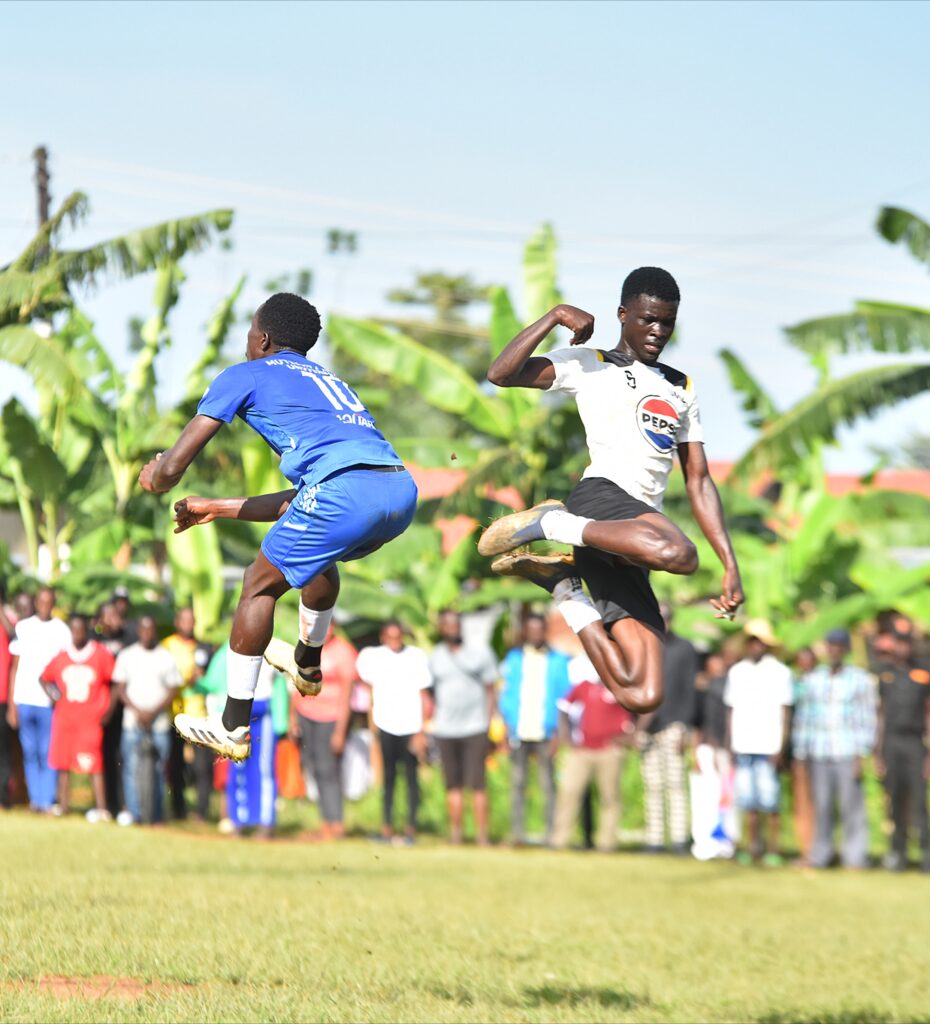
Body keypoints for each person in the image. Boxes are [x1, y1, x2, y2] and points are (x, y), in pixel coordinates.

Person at [138, 292, 417, 762]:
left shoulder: (244, 375)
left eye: (249, 332)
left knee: (257, 585)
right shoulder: (328, 381)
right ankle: (307, 662)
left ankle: (233, 726)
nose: (247, 341)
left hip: (342, 493)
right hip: (399, 490)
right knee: (315, 554)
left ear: (262, 338)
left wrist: (156, 476)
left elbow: (172, 469)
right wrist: (218, 507)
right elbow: (305, 500)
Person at [478, 268, 743, 715]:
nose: (658, 331)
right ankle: (549, 522)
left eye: (667, 322)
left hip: (628, 539)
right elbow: (501, 374)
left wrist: (731, 565)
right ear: (623, 315)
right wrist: (554, 316)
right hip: (600, 500)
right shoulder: (591, 364)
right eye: (647, 320)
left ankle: (563, 586)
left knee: (641, 694)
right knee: (683, 555)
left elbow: (698, 479)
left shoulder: (681, 387)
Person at [791, 630, 875, 870]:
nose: (835, 650)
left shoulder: (859, 679)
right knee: (822, 805)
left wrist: (862, 753)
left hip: (848, 752)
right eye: (831, 645)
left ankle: (855, 856)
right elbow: (804, 718)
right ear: (826, 649)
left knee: (852, 806)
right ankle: (821, 854)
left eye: (840, 646)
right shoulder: (813, 679)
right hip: (818, 751)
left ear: (846, 649)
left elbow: (866, 718)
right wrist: (800, 753)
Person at [200, 642, 289, 837]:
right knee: (237, 766)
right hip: (238, 712)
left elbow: (282, 685)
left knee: (265, 769)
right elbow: (214, 681)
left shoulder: (273, 648)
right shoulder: (229, 650)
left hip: (264, 713)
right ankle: (237, 820)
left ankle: (266, 823)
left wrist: (282, 722)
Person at [724, 620, 793, 866]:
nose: (756, 646)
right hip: (743, 743)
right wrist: (730, 744)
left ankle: (773, 849)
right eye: (752, 641)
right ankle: (751, 847)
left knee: (770, 802)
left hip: (769, 745)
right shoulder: (737, 672)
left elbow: (785, 714)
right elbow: (730, 711)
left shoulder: (780, 672)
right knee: (747, 802)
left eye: (760, 641)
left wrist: (781, 748)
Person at [356, 621, 431, 844]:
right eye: (391, 636)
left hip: (410, 725)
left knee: (411, 779)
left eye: (398, 637)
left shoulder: (416, 657)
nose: (395, 641)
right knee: (388, 779)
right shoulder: (373, 657)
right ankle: (387, 826)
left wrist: (422, 730)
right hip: (386, 723)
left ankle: (410, 828)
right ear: (383, 637)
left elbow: (424, 696)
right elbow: (365, 685)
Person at [499, 613, 571, 845]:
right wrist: (506, 725)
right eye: (531, 630)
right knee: (518, 784)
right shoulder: (514, 658)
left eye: (539, 630)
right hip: (519, 730)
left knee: (548, 785)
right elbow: (506, 694)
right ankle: (518, 833)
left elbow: (564, 698)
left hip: (546, 731)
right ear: (525, 632)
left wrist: (558, 733)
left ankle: (551, 834)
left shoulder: (559, 660)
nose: (535, 634)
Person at [429, 609, 499, 845]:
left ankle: (481, 836)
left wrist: (490, 724)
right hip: (445, 729)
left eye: (456, 624)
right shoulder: (436, 656)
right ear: (441, 628)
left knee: (478, 785)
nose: (453, 628)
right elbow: (430, 693)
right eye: (447, 624)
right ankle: (456, 835)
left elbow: (491, 690)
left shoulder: (480, 653)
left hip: (475, 727)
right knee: (452, 785)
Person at [551, 653, 633, 851]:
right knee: (569, 792)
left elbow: (634, 715)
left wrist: (625, 737)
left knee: (609, 798)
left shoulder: (620, 690)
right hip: (582, 751)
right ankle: (559, 840)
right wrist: (566, 737)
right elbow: (563, 707)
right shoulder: (585, 687)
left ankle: (607, 843)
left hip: (609, 750)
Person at [41, 613, 116, 821]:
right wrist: (54, 697)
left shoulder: (100, 654)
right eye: (74, 630)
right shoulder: (62, 656)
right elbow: (44, 678)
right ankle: (63, 805)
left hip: (90, 719)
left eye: (81, 629)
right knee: (62, 762)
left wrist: (107, 710)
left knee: (93, 763)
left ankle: (101, 808)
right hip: (65, 718)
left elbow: (115, 680)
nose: (77, 634)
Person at [112, 615, 181, 825]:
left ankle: (156, 814)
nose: (147, 633)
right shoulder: (127, 655)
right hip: (133, 723)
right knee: (131, 769)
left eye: (151, 629)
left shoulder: (165, 657)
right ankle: (135, 813)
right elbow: (120, 689)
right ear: (139, 631)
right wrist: (138, 711)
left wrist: (153, 712)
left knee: (159, 770)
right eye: (144, 629)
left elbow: (172, 688)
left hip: (158, 724)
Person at [291, 622, 358, 840]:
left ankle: (336, 822)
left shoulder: (343, 651)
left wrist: (340, 730)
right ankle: (325, 823)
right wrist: (293, 717)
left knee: (329, 769)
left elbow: (348, 695)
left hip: (331, 719)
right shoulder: (308, 648)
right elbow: (297, 680)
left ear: (335, 627)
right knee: (314, 768)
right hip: (307, 714)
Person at [639, 604, 697, 854]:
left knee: (675, 784)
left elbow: (690, 690)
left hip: (674, 724)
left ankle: (680, 839)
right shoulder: (643, 645)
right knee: (652, 786)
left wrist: (685, 727)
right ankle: (655, 840)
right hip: (647, 726)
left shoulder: (684, 649)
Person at [6, 587, 70, 812]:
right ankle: (35, 799)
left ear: (53, 603)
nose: (45, 605)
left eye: (49, 601)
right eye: (41, 601)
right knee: (30, 752)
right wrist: (12, 704)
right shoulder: (23, 628)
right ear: (36, 602)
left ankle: (47, 798)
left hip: (49, 702)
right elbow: (14, 667)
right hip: (25, 698)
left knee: (47, 751)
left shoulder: (62, 630)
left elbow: (66, 665)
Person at [875, 629, 930, 872]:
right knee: (895, 800)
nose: (903, 649)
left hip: (915, 743)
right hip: (892, 743)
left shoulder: (923, 674)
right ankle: (898, 853)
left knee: (919, 802)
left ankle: (926, 853)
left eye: (907, 644)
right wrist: (878, 752)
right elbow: (881, 716)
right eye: (899, 644)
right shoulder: (885, 675)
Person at [163, 608, 214, 820]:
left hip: (199, 714)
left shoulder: (204, 647)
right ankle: (178, 809)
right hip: (174, 714)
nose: (187, 623)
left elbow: (214, 677)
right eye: (183, 619)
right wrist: (186, 678)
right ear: (177, 622)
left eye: (190, 620)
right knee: (176, 766)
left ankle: (201, 811)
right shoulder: (166, 646)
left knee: (202, 767)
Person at [95, 600, 135, 817]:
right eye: (108, 615)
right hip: (99, 710)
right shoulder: (95, 640)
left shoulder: (129, 639)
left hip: (122, 708)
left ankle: (125, 805)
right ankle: (106, 804)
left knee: (123, 757)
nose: (113, 619)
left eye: (116, 615)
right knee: (103, 756)